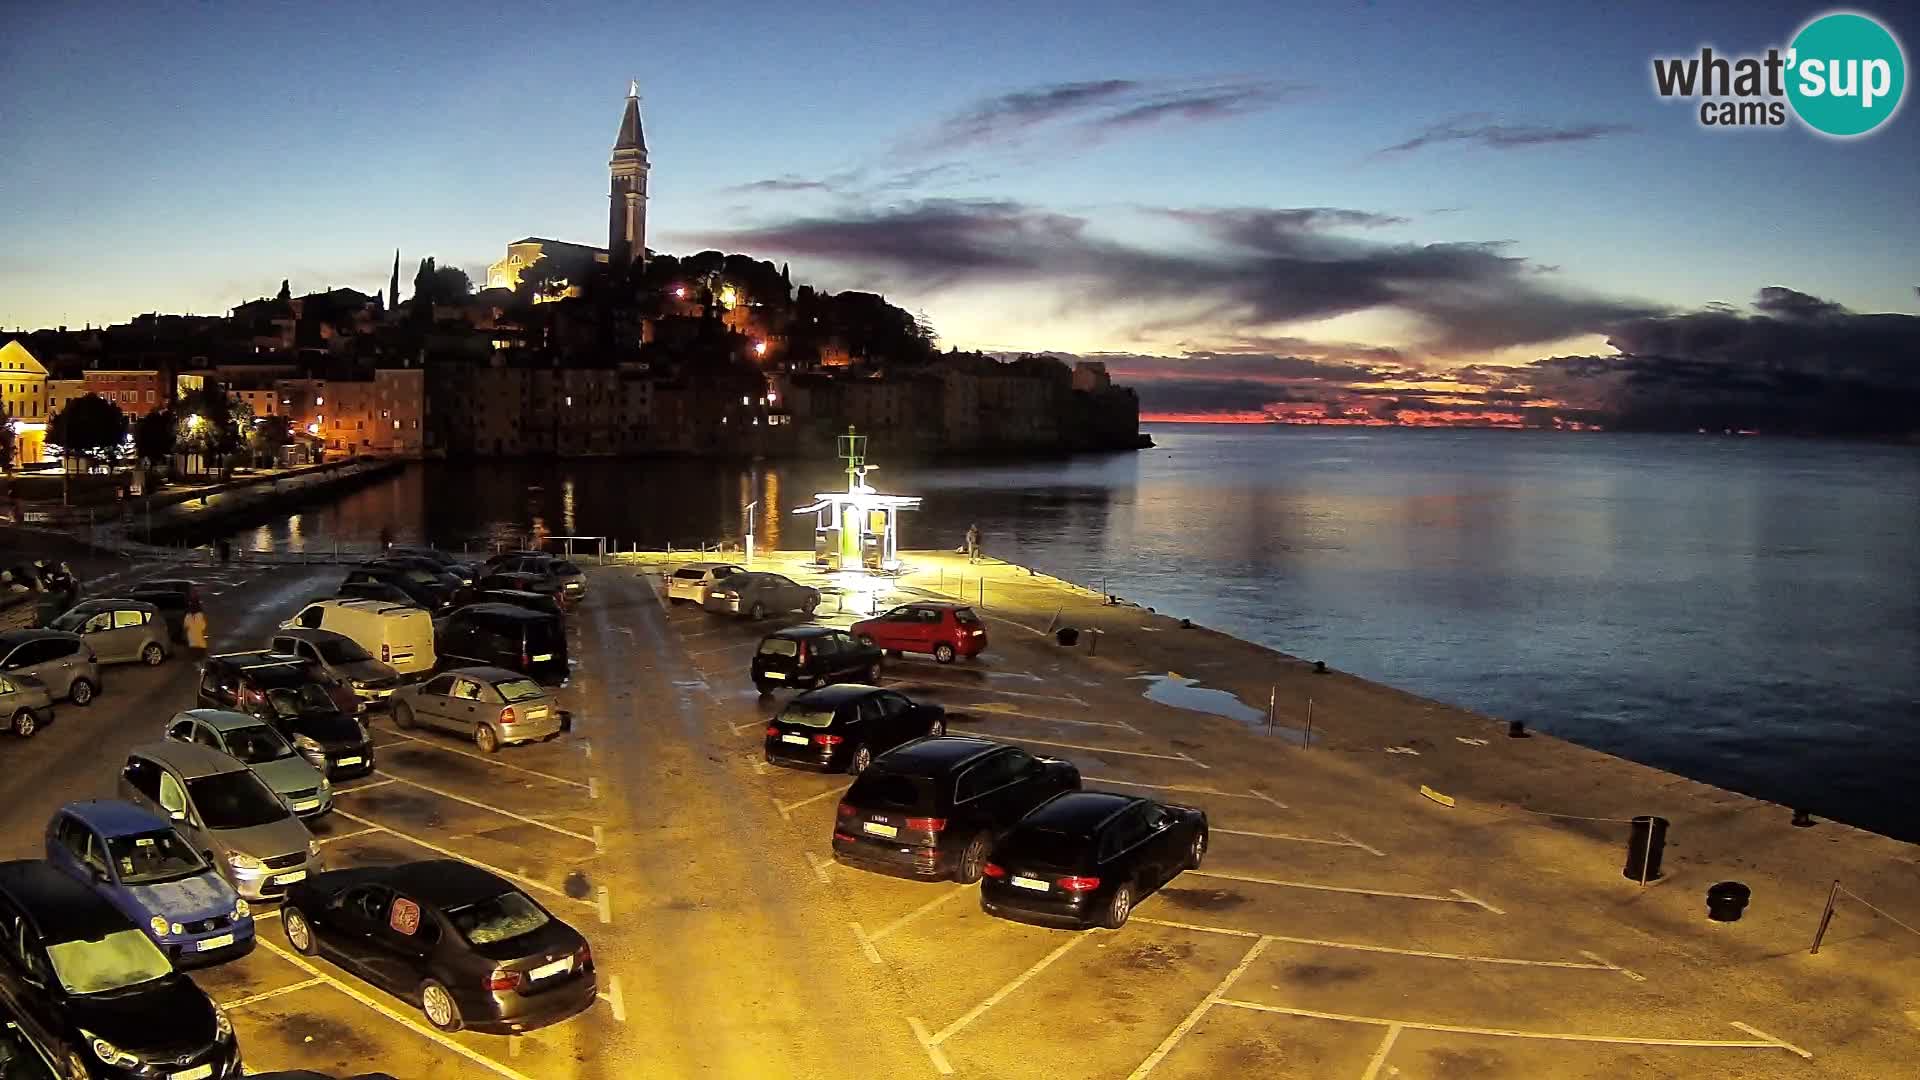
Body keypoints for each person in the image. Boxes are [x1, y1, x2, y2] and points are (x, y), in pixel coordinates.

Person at [183, 597, 209, 662]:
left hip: (192, 642)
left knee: (196, 660)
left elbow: (185, 628)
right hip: (201, 642)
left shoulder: (188, 616)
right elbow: (205, 627)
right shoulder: (202, 615)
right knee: (202, 659)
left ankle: (200, 669)